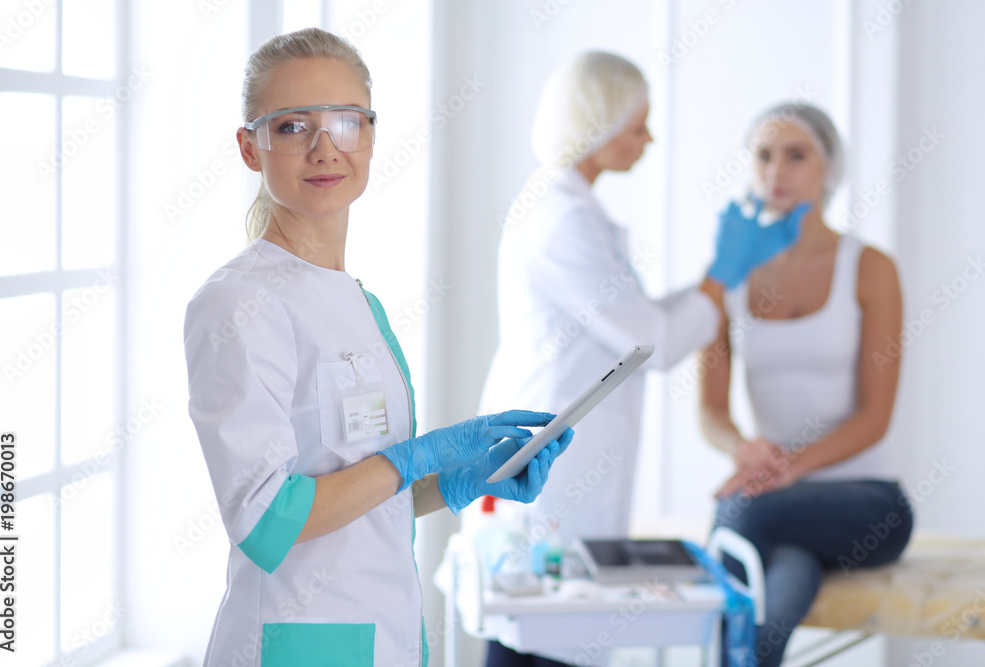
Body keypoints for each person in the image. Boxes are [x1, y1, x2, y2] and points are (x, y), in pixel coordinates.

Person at [183, 28, 574, 667]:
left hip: (383, 638)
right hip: (295, 647)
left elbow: (360, 501)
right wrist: (414, 456)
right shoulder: (238, 304)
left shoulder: (359, 303)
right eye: (291, 126)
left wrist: (454, 482)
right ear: (250, 148)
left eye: (345, 121)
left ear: (369, 134)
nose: (324, 148)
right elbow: (266, 521)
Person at [476, 52, 808, 667]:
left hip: (558, 451)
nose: (649, 139)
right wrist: (723, 272)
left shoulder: (570, 207)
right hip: (550, 458)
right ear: (597, 126)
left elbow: (641, 318)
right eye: (637, 126)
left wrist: (720, 277)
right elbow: (651, 343)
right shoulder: (563, 219)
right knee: (541, 635)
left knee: (543, 633)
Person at [699, 103, 913, 666]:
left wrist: (787, 468)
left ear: (829, 168)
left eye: (796, 156)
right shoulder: (729, 276)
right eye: (764, 156)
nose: (777, 172)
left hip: (868, 501)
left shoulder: (871, 268)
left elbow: (875, 417)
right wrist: (742, 449)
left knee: (741, 514)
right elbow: (710, 410)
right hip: (777, 505)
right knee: (782, 572)